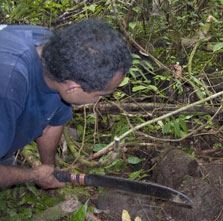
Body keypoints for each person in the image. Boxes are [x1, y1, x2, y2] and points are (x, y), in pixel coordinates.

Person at [0, 19, 132, 189]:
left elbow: (52, 122)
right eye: (100, 95)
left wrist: (48, 168)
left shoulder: (59, 55)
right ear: (73, 87)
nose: (100, 100)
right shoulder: (8, 84)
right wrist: (33, 175)